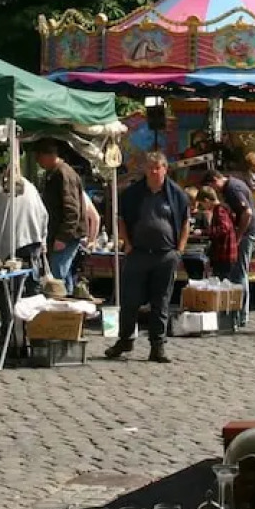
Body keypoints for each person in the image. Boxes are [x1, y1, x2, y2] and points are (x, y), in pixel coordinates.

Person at [106, 152, 190, 364]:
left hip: (165, 255)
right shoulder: (134, 193)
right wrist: (127, 243)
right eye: (150, 167)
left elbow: (185, 222)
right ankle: (125, 340)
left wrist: (179, 250)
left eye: (157, 167)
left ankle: (157, 346)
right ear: (145, 170)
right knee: (129, 300)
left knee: (160, 302)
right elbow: (122, 219)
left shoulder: (176, 194)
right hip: (139, 254)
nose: (153, 171)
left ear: (165, 169)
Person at [214, 158, 255, 327]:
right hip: (247, 230)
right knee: (240, 272)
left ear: (215, 181)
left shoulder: (232, 189)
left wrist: (239, 235)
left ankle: (240, 314)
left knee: (240, 272)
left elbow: (246, 213)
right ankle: (239, 313)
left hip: (247, 232)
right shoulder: (231, 185)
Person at [34, 139, 85, 293]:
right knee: (62, 275)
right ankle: (68, 311)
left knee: (57, 278)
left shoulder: (63, 174)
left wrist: (63, 237)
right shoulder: (54, 173)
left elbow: (72, 210)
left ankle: (62, 313)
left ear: (49, 155)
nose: (37, 161)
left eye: (39, 157)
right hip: (58, 233)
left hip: (66, 236)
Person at [198, 186, 238, 280]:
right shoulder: (221, 209)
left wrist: (205, 232)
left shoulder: (220, 211)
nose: (203, 207)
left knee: (222, 281)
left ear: (206, 200)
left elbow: (224, 228)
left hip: (225, 254)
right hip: (225, 254)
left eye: (202, 204)